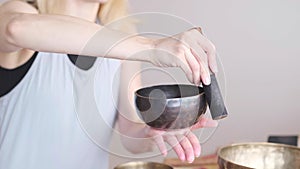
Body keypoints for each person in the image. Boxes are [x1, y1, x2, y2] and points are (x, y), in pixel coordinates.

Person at [0, 0, 219, 168]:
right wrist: (150, 47)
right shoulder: (22, 12)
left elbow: (131, 133)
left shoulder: (123, 41)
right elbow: (15, 28)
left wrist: (155, 132)